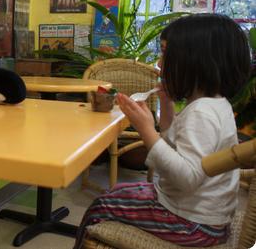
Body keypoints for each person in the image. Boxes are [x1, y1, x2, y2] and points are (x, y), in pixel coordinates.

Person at [73, 13, 251, 248]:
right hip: (197, 214)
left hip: (191, 222)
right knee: (117, 190)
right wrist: (166, 106)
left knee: (100, 205)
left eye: (165, 53)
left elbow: (186, 178)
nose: (159, 62)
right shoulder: (214, 104)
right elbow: (176, 147)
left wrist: (146, 130)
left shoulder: (203, 114)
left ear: (194, 60)